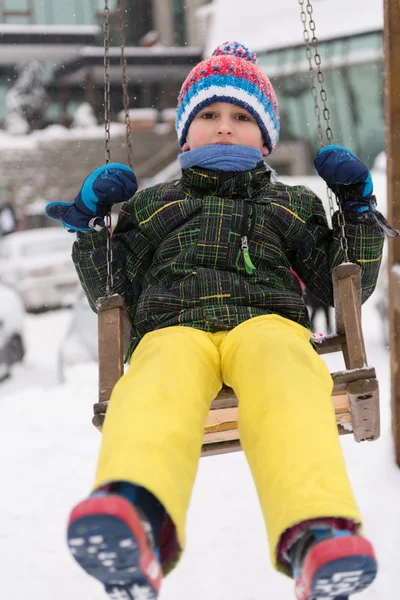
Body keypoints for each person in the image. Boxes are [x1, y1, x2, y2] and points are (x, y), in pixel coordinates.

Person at [46, 42, 389, 600]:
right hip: (173, 331)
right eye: (208, 115)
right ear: (185, 131)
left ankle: (316, 532)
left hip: (267, 325)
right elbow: (114, 291)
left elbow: (339, 284)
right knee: (154, 385)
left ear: (266, 137)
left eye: (240, 117)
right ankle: (135, 520)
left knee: (288, 377)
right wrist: (91, 225)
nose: (224, 127)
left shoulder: (293, 205)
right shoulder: (150, 206)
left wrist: (355, 207)